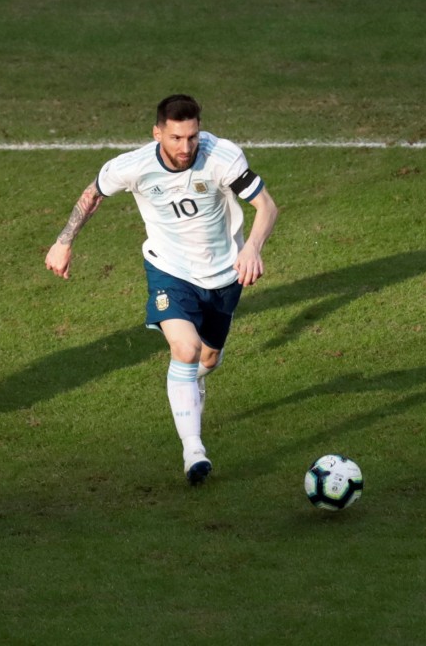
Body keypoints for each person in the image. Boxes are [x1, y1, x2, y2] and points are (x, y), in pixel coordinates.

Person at [45, 94, 278, 485]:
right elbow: (93, 194)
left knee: (208, 358)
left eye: (192, 137)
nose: (185, 147)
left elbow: (267, 206)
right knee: (184, 349)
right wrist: (64, 240)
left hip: (223, 274)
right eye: (175, 138)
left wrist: (252, 247)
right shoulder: (132, 166)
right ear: (157, 134)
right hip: (169, 269)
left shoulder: (222, 156)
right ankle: (194, 451)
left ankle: (194, 382)